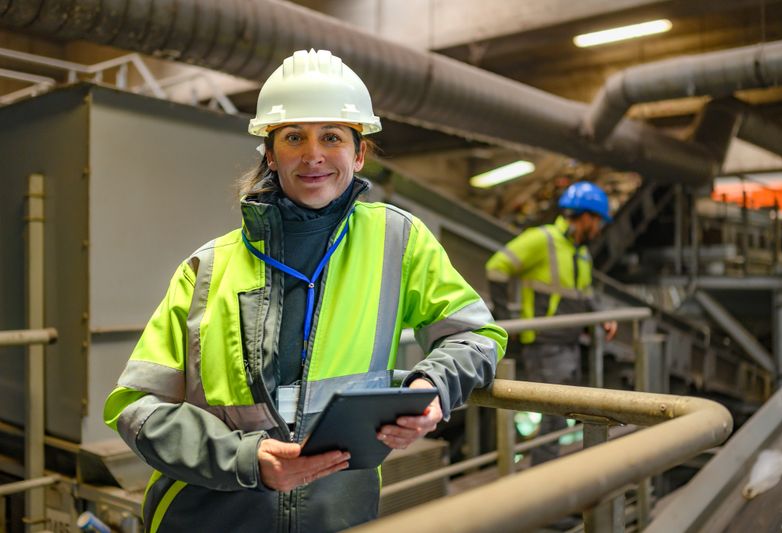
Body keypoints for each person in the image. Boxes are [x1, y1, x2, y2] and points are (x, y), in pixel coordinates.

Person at [103, 49, 506, 532]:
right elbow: (136, 407)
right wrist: (246, 458)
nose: (313, 155)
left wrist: (432, 386)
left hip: (337, 513)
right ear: (271, 154)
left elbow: (476, 336)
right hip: (209, 515)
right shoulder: (208, 268)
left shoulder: (397, 241)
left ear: (359, 153)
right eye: (294, 137)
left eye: (332, 136)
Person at [485, 181, 616, 464]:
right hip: (544, 345)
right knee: (553, 417)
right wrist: (504, 318)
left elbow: (585, 293)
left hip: (569, 343)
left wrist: (603, 317)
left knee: (561, 415)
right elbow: (496, 267)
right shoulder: (542, 239)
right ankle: (545, 478)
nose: (599, 229)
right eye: (598, 221)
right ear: (586, 217)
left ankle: (550, 473)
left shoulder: (581, 252)